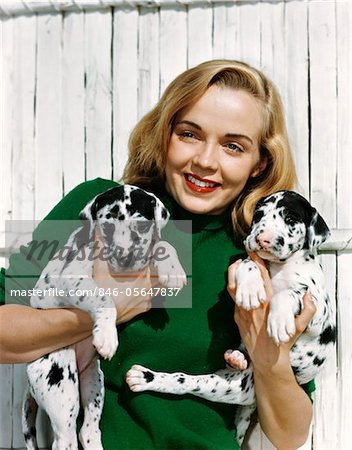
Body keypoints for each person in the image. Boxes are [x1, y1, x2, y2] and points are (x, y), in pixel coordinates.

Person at [0, 60, 316, 449]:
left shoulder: (258, 255)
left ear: (259, 163)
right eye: (189, 134)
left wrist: (268, 358)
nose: (205, 160)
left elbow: (290, 435)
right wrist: (104, 309)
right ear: (164, 134)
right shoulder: (98, 205)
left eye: (233, 146)